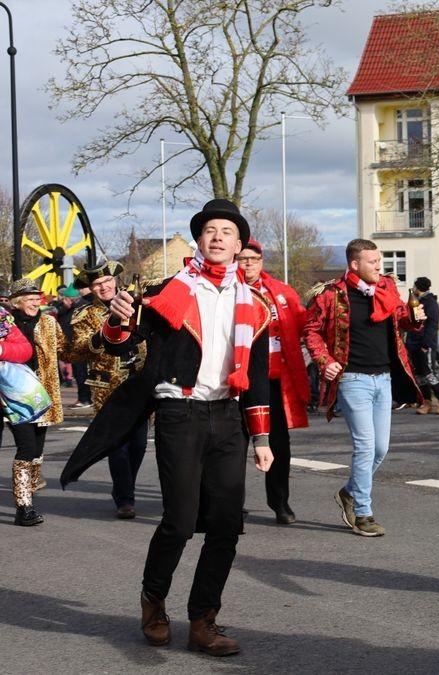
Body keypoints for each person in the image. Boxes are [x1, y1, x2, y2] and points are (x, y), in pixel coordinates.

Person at [70, 198, 274, 656]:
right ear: (200, 240)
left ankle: (203, 620)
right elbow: (119, 344)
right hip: (179, 413)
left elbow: (257, 375)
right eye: (210, 231)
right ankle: (153, 599)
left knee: (226, 524)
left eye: (226, 231)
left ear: (239, 245)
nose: (217, 237)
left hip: (227, 416)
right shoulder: (169, 291)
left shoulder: (256, 305)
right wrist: (119, 321)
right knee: (180, 523)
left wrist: (260, 436)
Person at [304, 238, 425, 537]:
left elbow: (400, 319)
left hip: (383, 379)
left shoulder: (386, 288)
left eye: (379, 261)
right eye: (373, 262)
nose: (379, 266)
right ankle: (363, 514)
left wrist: (413, 317)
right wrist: (324, 360)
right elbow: (311, 331)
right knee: (365, 446)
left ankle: (349, 492)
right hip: (352, 379)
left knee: (381, 449)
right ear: (355, 264)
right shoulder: (331, 295)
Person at [65, 260, 148, 519]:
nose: (103, 287)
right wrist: (103, 334)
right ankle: (125, 498)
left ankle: (125, 488)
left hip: (139, 382)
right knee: (118, 444)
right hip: (107, 386)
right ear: (90, 288)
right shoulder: (84, 315)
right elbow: (78, 350)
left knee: (139, 444)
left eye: (106, 281)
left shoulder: (138, 305)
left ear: (115, 281)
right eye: (97, 284)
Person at [237, 239, 310, 525]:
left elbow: (306, 324)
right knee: (235, 444)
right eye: (243, 259)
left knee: (279, 445)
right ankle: (233, 503)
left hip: (275, 383)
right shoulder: (229, 291)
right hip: (240, 382)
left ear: (261, 261)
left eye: (253, 259)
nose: (249, 264)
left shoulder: (281, 292)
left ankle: (280, 503)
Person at [7, 278, 68, 526]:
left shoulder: (49, 323)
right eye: (30, 299)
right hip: (12, 395)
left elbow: (66, 348)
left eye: (37, 299)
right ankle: (24, 507)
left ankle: (29, 493)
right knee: (27, 448)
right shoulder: (5, 324)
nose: (35, 303)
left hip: (41, 395)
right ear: (17, 301)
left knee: (38, 451)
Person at [2, 298, 38, 526]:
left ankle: (24, 507)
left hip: (13, 393)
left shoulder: (1, 316)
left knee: (28, 447)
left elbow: (25, 350)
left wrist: (1, 349)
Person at [406, 276, 439, 415]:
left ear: (418, 288)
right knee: (420, 375)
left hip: (425, 344)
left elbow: (432, 325)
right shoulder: (416, 301)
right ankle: (426, 401)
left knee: (429, 372)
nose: (413, 289)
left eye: (414, 286)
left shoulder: (430, 303)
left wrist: (426, 343)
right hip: (413, 343)